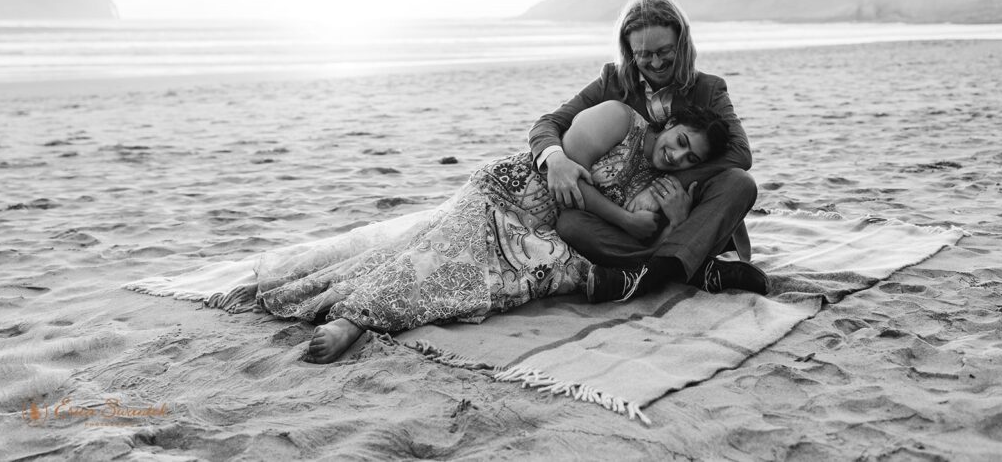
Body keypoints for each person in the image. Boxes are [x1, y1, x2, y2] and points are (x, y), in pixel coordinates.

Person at [262, 101, 730, 364]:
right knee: (438, 258)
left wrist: (675, 215)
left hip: (537, 233)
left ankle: (369, 313)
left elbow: (646, 234)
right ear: (670, 123)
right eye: (681, 140)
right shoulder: (617, 119)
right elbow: (564, 182)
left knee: (500, 286)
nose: (678, 156)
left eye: (691, 158)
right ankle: (355, 319)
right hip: (503, 197)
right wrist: (628, 220)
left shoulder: (655, 177)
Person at [529, 0, 768, 301]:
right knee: (572, 224)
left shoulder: (709, 88)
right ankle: (691, 267)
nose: (656, 63)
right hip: (627, 218)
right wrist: (556, 158)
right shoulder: (610, 82)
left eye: (665, 51)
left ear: (682, 45)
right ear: (629, 52)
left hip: (692, 211)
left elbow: (740, 153)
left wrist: (665, 193)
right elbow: (547, 124)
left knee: (741, 182)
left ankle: (647, 277)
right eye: (644, 54)